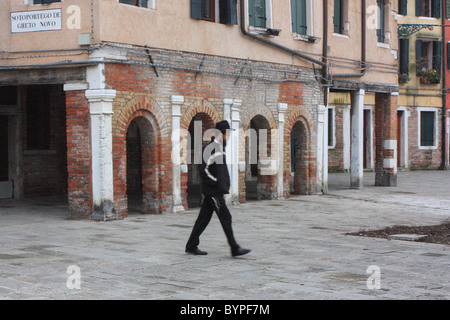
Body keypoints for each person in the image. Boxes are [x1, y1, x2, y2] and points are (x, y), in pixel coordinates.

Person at [185, 120, 251, 257]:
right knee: (226, 217)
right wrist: (217, 184)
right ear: (221, 134)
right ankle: (234, 248)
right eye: (228, 134)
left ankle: (191, 245)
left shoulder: (220, 149)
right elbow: (203, 170)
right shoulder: (209, 149)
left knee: (203, 219)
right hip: (213, 192)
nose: (229, 136)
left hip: (214, 191)